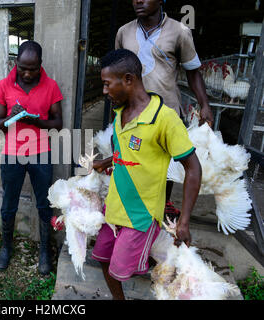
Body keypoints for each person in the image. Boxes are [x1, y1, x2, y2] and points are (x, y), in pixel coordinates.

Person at [91, 49, 202, 300]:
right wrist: (107, 161)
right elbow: (126, 151)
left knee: (122, 270)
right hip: (114, 209)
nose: (105, 91)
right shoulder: (120, 113)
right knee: (102, 259)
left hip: (140, 216)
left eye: (108, 84)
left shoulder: (165, 119)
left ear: (128, 80)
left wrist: (183, 221)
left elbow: (193, 168)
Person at [115, 0, 213, 220]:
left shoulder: (180, 31)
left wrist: (204, 104)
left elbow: (193, 71)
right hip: (131, 114)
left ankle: (155, 222)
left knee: (163, 173)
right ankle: (129, 221)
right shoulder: (124, 32)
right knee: (128, 167)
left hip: (165, 113)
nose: (138, 0)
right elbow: (116, 71)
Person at [0, 40, 63, 275]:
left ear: (40, 65)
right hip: (12, 153)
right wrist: (9, 118)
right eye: (23, 67)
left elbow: (58, 124)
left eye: (33, 68)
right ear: (16, 62)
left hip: (41, 152)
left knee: (44, 203)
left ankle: (44, 250)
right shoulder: (4, 85)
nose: (27, 73)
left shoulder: (51, 86)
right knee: (8, 203)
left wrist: (36, 122)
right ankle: (6, 247)